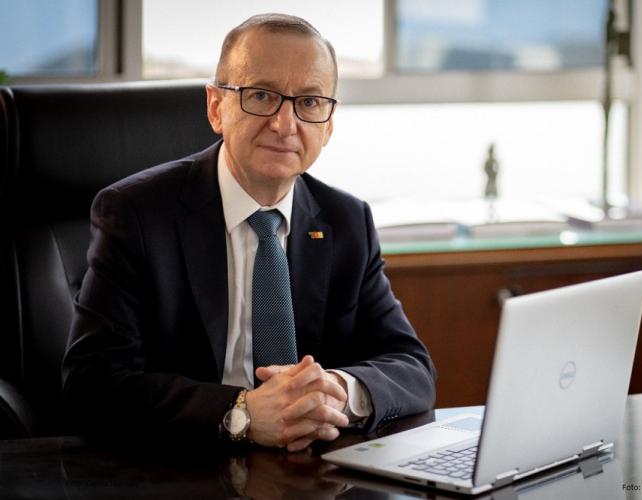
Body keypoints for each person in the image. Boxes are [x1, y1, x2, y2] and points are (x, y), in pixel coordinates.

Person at [61, 13, 436, 452]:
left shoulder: (346, 221)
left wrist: (337, 390)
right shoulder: (137, 214)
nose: (285, 124)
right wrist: (240, 412)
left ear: (328, 124)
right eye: (261, 95)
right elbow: (91, 386)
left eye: (309, 102)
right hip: (182, 464)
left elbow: (413, 368)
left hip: (309, 468)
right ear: (216, 108)